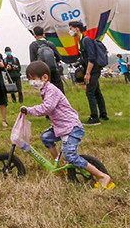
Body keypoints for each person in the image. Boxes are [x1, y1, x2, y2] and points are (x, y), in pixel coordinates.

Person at [21, 61, 114, 190]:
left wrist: (29, 110)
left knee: (70, 155)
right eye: (30, 80)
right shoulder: (45, 90)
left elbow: (47, 108)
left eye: (33, 79)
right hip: (60, 126)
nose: (32, 83)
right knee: (46, 137)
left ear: (45, 77)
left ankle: (102, 176)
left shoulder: (51, 90)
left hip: (71, 127)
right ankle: (59, 166)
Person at [70, 21, 109, 125]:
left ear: (77, 29)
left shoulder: (86, 40)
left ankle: (94, 117)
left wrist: (87, 73)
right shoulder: (80, 41)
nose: (70, 31)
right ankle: (103, 115)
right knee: (97, 92)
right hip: (91, 69)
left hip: (93, 69)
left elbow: (91, 58)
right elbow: (86, 58)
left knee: (90, 92)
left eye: (71, 28)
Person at [28, 26, 65, 94]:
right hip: (54, 70)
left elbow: (33, 61)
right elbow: (59, 57)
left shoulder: (33, 45)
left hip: (42, 73)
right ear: (44, 34)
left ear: (34, 35)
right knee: (59, 91)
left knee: (47, 92)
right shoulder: (50, 44)